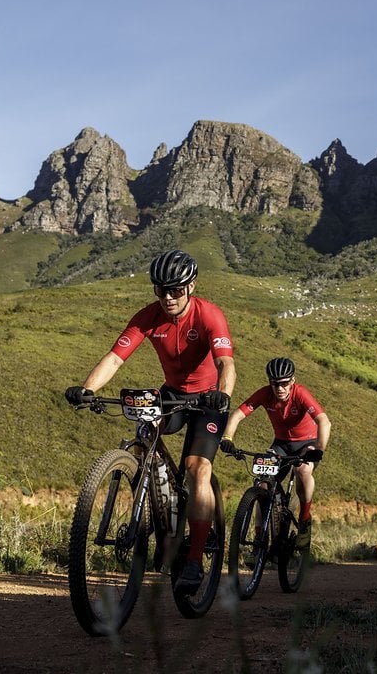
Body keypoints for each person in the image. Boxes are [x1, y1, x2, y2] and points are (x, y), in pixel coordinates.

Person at [65, 249, 236, 594]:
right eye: (161, 290)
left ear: (191, 287)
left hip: (208, 400)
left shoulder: (209, 315)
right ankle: (164, 521)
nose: (168, 297)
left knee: (197, 467)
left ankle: (194, 560)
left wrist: (223, 394)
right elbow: (115, 358)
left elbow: (226, 364)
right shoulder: (148, 317)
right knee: (144, 437)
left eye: (175, 290)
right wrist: (87, 389)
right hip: (172, 394)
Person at [219, 357, 330, 548]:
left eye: (284, 383)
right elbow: (237, 414)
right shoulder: (265, 394)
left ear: (292, 381)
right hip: (282, 443)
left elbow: (324, 421)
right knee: (263, 484)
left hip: (307, 443)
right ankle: (259, 541)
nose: (279, 388)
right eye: (274, 383)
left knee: (303, 471)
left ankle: (304, 520)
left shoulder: (301, 393)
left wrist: (319, 449)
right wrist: (228, 438)